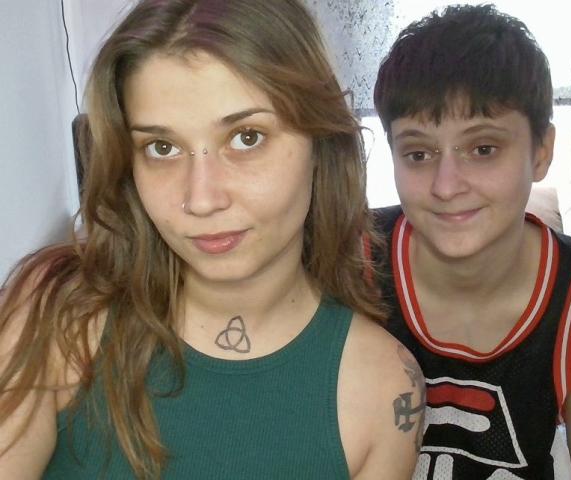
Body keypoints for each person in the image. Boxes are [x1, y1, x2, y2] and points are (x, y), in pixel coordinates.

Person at [0, 0, 425, 478]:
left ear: (320, 143)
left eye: (247, 137)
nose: (201, 199)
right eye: (162, 147)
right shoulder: (56, 315)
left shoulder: (383, 388)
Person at [372, 4, 571, 479]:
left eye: (483, 149)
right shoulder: (346, 263)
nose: (446, 186)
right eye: (418, 154)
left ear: (541, 152)